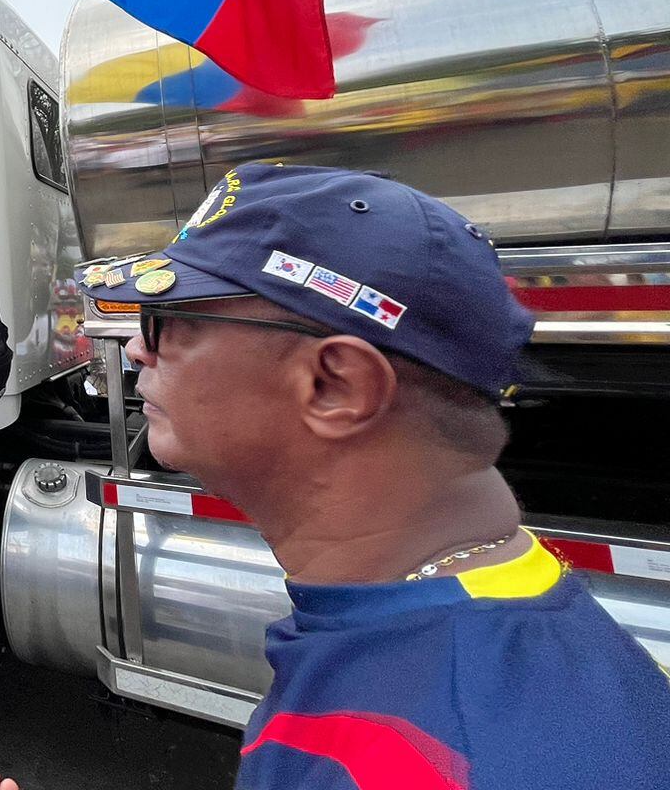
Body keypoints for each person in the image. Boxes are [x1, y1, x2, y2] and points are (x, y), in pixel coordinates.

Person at [53, 163, 670, 790]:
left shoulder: (431, 755)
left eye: (171, 318)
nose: (135, 348)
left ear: (334, 385)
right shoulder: (435, 635)